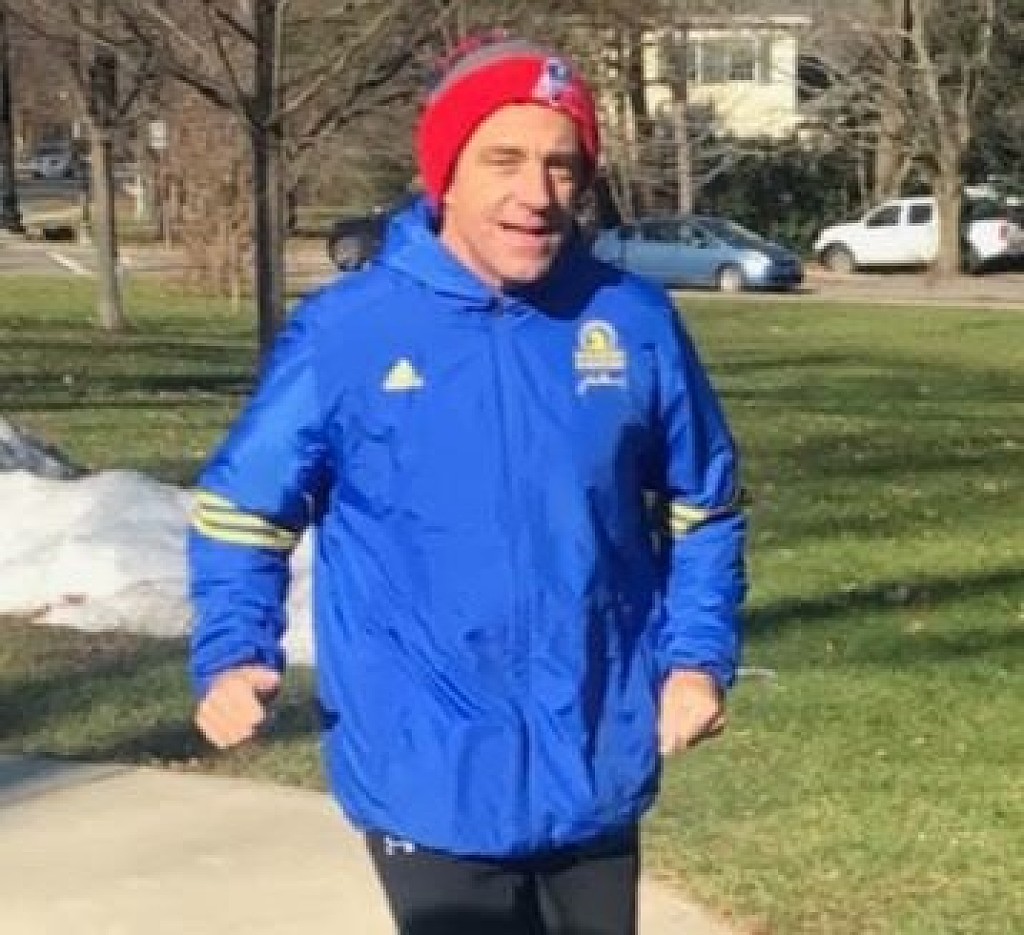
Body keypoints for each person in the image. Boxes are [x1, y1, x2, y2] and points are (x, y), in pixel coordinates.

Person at [188, 33, 746, 935]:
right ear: (445, 171)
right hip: (426, 772)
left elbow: (706, 505)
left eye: (562, 165)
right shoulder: (349, 332)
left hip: (596, 756)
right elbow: (241, 511)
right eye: (504, 159)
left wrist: (695, 660)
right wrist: (233, 650)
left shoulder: (632, 320)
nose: (537, 192)